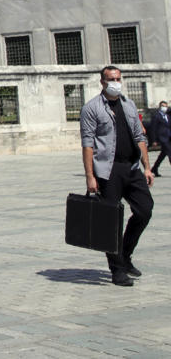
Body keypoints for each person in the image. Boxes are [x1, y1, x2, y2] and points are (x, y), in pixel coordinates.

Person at [80, 66, 154, 287]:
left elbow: (139, 136)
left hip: (131, 168)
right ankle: (117, 269)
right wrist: (90, 176)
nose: (116, 82)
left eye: (118, 79)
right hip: (107, 170)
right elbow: (87, 144)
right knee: (110, 222)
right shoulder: (91, 108)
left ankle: (126, 255)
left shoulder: (128, 104)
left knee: (144, 210)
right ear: (102, 81)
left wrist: (147, 167)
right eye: (111, 79)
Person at [150, 100, 171, 177]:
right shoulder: (156, 116)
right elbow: (153, 129)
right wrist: (154, 140)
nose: (164, 107)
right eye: (162, 106)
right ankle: (154, 169)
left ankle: (154, 169)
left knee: (162, 155)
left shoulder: (168, 116)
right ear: (159, 107)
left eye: (165, 106)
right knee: (170, 153)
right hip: (162, 138)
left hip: (169, 138)